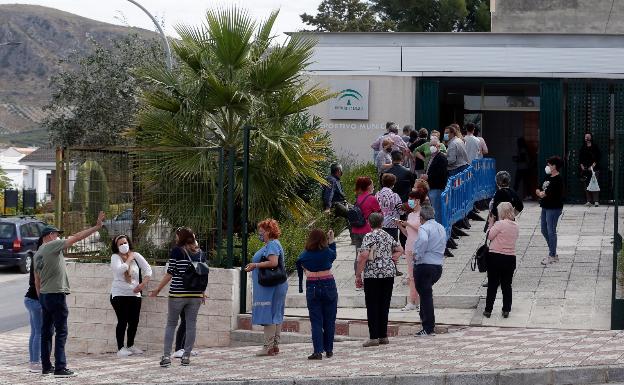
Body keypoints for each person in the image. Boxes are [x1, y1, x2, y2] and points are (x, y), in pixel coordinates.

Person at [34, 211, 106, 377]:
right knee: (61, 332)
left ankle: (46, 367)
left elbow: (36, 281)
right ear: (50, 235)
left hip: (44, 295)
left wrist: (42, 299)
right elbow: (77, 237)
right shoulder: (52, 246)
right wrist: (96, 227)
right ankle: (60, 368)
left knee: (46, 333)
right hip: (56, 295)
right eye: (57, 235)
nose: (59, 238)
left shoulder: (38, 253)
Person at [150, 227, 207, 367]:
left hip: (177, 294)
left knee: (171, 324)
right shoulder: (200, 253)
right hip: (195, 295)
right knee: (191, 325)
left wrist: (157, 289)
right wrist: (202, 292)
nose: (175, 238)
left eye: (176, 236)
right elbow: (203, 274)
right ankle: (186, 357)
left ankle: (166, 357)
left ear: (180, 237)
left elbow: (170, 273)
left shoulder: (177, 251)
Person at [355, 213, 403, 347]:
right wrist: (392, 258)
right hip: (388, 273)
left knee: (372, 304)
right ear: (382, 223)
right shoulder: (387, 235)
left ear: (369, 223)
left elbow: (363, 255)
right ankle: (383, 335)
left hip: (373, 274)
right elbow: (400, 249)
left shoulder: (369, 236)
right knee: (384, 303)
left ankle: (374, 336)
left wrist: (358, 275)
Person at [243, 219, 289, 356]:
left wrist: (255, 265)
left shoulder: (273, 245)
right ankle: (274, 346)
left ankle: (268, 346)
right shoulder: (272, 244)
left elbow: (273, 262)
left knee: (269, 313)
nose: (260, 234)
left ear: (269, 231)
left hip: (272, 286)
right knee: (276, 313)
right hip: (275, 285)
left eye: (262, 232)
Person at [296, 229, 338, 360]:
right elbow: (333, 255)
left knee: (316, 320)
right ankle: (329, 350)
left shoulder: (306, 254)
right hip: (328, 283)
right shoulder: (327, 252)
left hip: (313, 285)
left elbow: (299, 261)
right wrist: (332, 241)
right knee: (330, 319)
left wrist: (305, 270)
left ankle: (317, 351)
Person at [110, 234, 152, 357]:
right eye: (120, 244)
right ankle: (120, 348)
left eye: (125, 242)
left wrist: (143, 284)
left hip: (134, 294)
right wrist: (128, 259)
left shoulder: (136, 255)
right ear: (116, 246)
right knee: (122, 320)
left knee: (134, 321)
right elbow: (119, 270)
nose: (124, 245)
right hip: (119, 294)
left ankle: (131, 345)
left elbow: (148, 269)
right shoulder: (115, 257)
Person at [412, 205, 445, 336]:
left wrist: (417, 255)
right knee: (425, 293)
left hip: (425, 264)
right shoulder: (440, 227)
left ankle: (428, 326)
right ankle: (424, 318)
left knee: (426, 296)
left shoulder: (424, 228)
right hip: (437, 265)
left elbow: (423, 240)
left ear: (422, 217)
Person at [483, 202, 519, 319]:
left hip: (496, 256)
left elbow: (489, 236)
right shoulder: (515, 225)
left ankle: (488, 310)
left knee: (493, 284)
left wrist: (490, 224)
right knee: (506, 285)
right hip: (510, 257)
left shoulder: (499, 224)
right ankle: (506, 309)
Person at [397, 190, 426, 312]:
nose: (409, 202)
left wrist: (408, 224)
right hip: (409, 247)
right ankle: (412, 301)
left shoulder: (423, 214)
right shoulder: (410, 215)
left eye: (411, 199)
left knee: (420, 275)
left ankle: (422, 301)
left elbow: (422, 230)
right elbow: (408, 233)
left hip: (419, 248)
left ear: (418, 200)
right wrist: (400, 226)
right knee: (411, 276)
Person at [536, 156, 565, 266]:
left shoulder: (558, 179)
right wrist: (539, 192)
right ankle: (553, 252)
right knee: (544, 230)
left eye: (549, 164)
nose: (547, 166)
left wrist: (543, 194)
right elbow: (539, 188)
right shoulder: (547, 176)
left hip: (554, 208)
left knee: (551, 230)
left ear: (554, 166)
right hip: (545, 206)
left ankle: (552, 255)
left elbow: (551, 194)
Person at [350, 176, 381, 274]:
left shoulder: (358, 198)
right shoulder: (372, 199)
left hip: (356, 230)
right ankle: (369, 274)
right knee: (370, 255)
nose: (373, 186)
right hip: (367, 230)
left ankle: (357, 275)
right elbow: (379, 215)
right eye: (372, 184)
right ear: (368, 186)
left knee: (359, 254)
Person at [25, 237, 43, 373]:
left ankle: (33, 361)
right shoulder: (40, 257)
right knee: (39, 332)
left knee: (34, 332)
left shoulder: (37, 255)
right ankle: (35, 363)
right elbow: (39, 282)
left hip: (29, 298)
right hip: (35, 300)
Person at [421, 138, 448, 224]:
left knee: (437, 210)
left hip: (437, 187)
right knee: (433, 209)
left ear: (438, 146)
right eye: (430, 145)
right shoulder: (431, 157)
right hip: (431, 187)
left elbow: (441, 173)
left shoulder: (441, 157)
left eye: (434, 145)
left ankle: (438, 228)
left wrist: (428, 177)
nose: (432, 147)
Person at [579, 132, 601, 207]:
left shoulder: (595, 146)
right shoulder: (583, 147)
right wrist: (581, 165)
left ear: (591, 137)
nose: (587, 138)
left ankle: (596, 201)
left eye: (588, 136)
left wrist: (592, 166)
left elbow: (598, 157)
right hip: (585, 169)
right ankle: (589, 200)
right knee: (586, 185)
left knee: (595, 184)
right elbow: (580, 158)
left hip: (594, 169)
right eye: (586, 137)